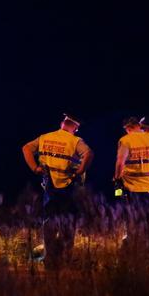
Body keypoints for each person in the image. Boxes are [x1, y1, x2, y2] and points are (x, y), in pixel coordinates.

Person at [22, 113, 94, 269]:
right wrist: (80, 171)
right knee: (69, 221)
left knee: (49, 220)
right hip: (69, 186)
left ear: (62, 123)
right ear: (75, 127)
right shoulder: (75, 141)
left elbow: (26, 148)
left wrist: (35, 168)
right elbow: (89, 153)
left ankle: (50, 257)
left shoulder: (45, 137)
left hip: (49, 185)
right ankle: (66, 257)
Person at [115, 117, 149, 203]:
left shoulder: (125, 140)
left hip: (130, 189)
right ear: (139, 126)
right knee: (148, 215)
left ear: (127, 128)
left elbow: (120, 163)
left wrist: (117, 179)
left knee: (129, 214)